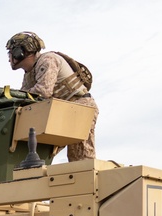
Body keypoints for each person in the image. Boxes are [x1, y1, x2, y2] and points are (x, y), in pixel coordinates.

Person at [6, 31, 98, 162]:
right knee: (40, 151)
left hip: (80, 107)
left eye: (11, 52)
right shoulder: (29, 73)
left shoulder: (48, 60)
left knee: (81, 159)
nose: (9, 57)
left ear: (20, 52)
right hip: (61, 110)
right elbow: (25, 97)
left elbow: (43, 92)